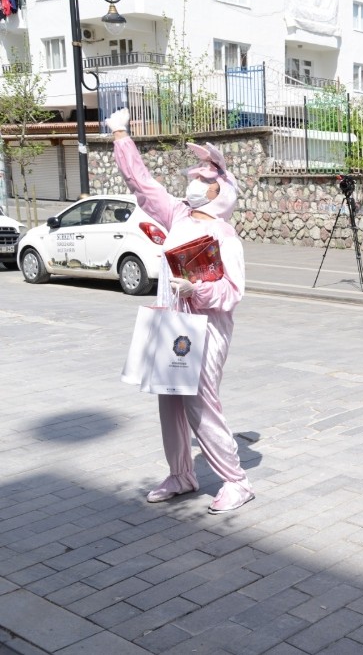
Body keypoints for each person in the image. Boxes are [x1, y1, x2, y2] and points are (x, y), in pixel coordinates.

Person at [105, 108, 255, 515]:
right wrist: (121, 135)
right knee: (168, 400)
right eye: (193, 179)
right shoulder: (178, 215)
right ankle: (181, 474)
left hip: (205, 330)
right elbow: (143, 184)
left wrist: (199, 289)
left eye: (204, 181)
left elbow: (232, 291)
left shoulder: (225, 237)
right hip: (172, 323)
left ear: (220, 191)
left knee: (200, 404)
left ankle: (236, 480)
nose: (192, 184)